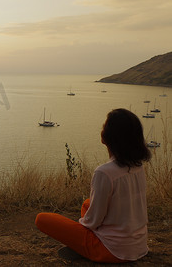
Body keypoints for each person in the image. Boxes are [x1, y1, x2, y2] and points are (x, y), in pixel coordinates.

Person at [35, 108, 151, 263]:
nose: (101, 129)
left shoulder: (105, 172)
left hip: (112, 251)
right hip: (139, 246)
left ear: (109, 136)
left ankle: (84, 248)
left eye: (104, 126)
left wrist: (78, 233)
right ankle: (83, 245)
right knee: (87, 204)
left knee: (42, 219)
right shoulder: (138, 166)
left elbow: (92, 222)